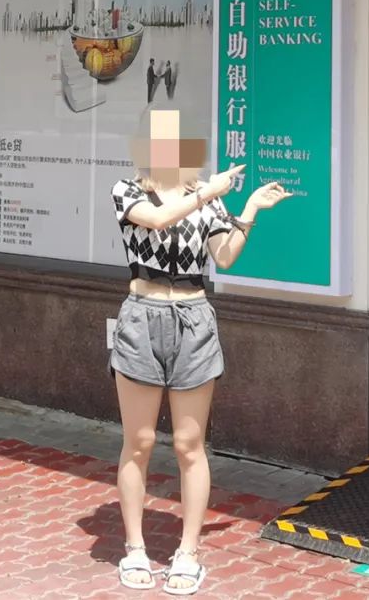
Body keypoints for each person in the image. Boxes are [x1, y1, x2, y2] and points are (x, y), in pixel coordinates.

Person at [110, 109, 291, 595]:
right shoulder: (127, 191)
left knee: (189, 445)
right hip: (141, 316)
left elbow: (224, 256)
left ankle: (188, 552)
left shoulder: (206, 200)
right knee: (138, 442)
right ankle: (134, 547)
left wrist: (248, 209)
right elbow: (157, 219)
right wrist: (209, 192)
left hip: (194, 318)